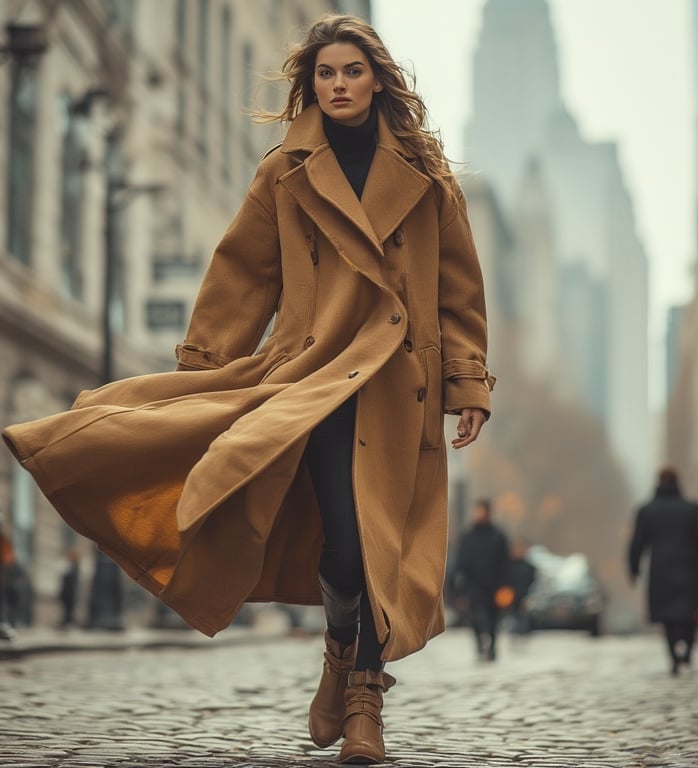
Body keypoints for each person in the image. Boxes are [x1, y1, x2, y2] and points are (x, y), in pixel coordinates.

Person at [2, 14, 494, 764]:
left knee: (376, 547)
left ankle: (364, 697)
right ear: (312, 82)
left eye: (351, 71)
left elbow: (459, 292)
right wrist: (200, 377)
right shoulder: (284, 173)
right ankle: (339, 647)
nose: (338, 85)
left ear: (378, 79)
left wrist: (466, 383)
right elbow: (243, 275)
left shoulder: (429, 179)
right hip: (314, 376)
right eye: (325, 73)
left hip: (399, 385)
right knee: (340, 541)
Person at [629, 467, 698, 677]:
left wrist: (633, 567)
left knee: (667, 616)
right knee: (689, 614)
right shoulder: (692, 509)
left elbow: (637, 543)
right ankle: (687, 649)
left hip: (660, 569)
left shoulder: (647, 510)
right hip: (690, 568)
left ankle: (673, 656)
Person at [451, 500, 510, 661]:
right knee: (476, 617)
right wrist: (458, 590)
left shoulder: (498, 536)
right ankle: (479, 647)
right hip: (473, 586)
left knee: (493, 620)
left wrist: (505, 586)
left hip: (494, 586)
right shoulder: (468, 536)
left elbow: (505, 563)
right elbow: (460, 563)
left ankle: (491, 648)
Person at [507, 537, 536, 637]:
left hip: (523, 598)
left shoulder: (529, 567)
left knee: (522, 621)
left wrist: (528, 597)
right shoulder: (506, 566)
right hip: (508, 599)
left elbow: (533, 583)